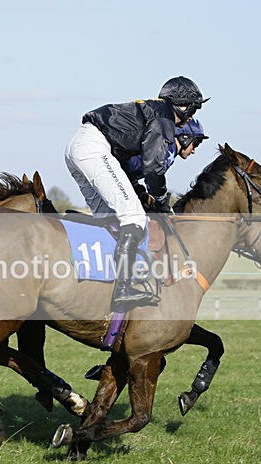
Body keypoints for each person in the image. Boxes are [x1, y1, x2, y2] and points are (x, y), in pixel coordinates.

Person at [64, 77, 208, 309]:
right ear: (183, 104)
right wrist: (161, 199)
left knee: (109, 219)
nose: (191, 117)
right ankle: (123, 288)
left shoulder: (156, 112)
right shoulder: (164, 119)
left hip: (79, 146)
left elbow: (127, 173)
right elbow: (153, 168)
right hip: (93, 146)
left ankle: (101, 285)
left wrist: (144, 195)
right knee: (134, 218)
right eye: (194, 108)